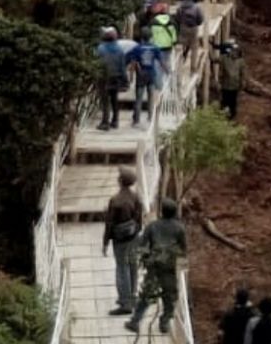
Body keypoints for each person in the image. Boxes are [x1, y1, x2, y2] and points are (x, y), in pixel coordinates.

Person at [125, 198, 187, 336]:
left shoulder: (152, 226)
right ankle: (164, 321)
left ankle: (135, 321)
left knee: (146, 296)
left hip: (154, 268)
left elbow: (142, 246)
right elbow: (183, 250)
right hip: (169, 268)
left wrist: (146, 258)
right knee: (169, 297)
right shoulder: (180, 228)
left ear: (162, 211)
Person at [102, 167, 143, 315]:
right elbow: (139, 220)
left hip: (120, 241)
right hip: (134, 237)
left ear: (120, 181)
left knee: (122, 268)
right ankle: (132, 298)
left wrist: (105, 242)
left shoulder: (115, 200)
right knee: (133, 266)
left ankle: (125, 304)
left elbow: (110, 224)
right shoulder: (136, 198)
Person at [126, 30, 165, 127]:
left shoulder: (137, 48)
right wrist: (167, 70)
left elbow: (133, 63)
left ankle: (136, 120)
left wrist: (131, 76)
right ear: (151, 37)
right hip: (151, 74)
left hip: (141, 75)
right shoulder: (155, 48)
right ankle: (151, 117)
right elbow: (161, 61)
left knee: (138, 98)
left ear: (142, 38)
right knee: (150, 97)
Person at [95, 27, 127, 131]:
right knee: (114, 99)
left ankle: (105, 122)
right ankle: (115, 121)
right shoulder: (120, 49)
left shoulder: (100, 48)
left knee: (105, 100)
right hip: (116, 77)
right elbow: (123, 66)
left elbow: (97, 63)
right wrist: (125, 80)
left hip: (104, 77)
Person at [215, 40, 246, 120]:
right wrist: (209, 48)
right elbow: (214, 59)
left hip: (234, 86)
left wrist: (243, 83)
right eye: (233, 52)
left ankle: (231, 117)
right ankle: (222, 116)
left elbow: (243, 73)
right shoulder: (225, 58)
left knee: (233, 102)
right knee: (224, 101)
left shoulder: (240, 61)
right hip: (226, 85)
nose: (234, 54)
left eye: (236, 52)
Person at [149, 3, 179, 76]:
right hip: (168, 45)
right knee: (167, 61)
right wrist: (174, 42)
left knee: (158, 63)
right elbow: (174, 33)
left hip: (157, 45)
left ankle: (160, 80)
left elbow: (151, 34)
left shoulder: (153, 21)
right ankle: (168, 76)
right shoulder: (171, 21)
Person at [177, 0, 204, 70]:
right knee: (194, 47)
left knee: (181, 46)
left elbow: (177, 18)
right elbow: (200, 19)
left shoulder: (180, 7)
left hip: (183, 28)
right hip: (193, 28)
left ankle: (180, 66)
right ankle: (193, 67)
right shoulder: (196, 7)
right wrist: (196, 24)